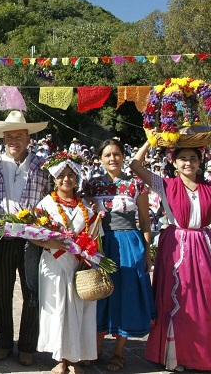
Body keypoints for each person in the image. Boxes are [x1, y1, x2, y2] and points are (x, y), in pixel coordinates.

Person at [130, 142, 211, 372]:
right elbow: (136, 165)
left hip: (203, 246)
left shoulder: (207, 188)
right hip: (178, 247)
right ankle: (176, 357)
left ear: (200, 161)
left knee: (203, 301)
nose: (188, 162)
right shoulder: (165, 185)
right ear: (173, 163)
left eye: (193, 158)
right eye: (183, 158)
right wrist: (150, 140)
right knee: (179, 300)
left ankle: (201, 354)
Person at [0, 110, 49, 366]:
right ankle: (4, 342)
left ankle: (28, 345)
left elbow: (53, 197)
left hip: (32, 237)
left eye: (18, 136)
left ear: (28, 137)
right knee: (2, 291)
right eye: (9, 136)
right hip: (3, 234)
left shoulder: (43, 165)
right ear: (3, 138)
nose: (13, 141)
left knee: (32, 290)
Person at [85, 139, 155, 371]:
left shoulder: (136, 184)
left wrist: (146, 252)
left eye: (117, 154)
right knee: (100, 294)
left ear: (124, 156)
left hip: (128, 243)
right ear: (100, 159)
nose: (113, 158)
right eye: (107, 155)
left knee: (125, 295)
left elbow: (145, 221)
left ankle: (118, 352)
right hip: (102, 244)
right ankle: (95, 349)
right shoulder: (92, 185)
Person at [34, 153, 98, 373]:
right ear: (55, 179)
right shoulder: (45, 204)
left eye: (71, 175)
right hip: (54, 262)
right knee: (57, 307)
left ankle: (75, 357)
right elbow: (35, 235)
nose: (66, 180)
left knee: (79, 309)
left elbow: (94, 235)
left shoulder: (86, 208)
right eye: (62, 176)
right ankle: (59, 358)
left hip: (79, 264)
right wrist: (52, 243)